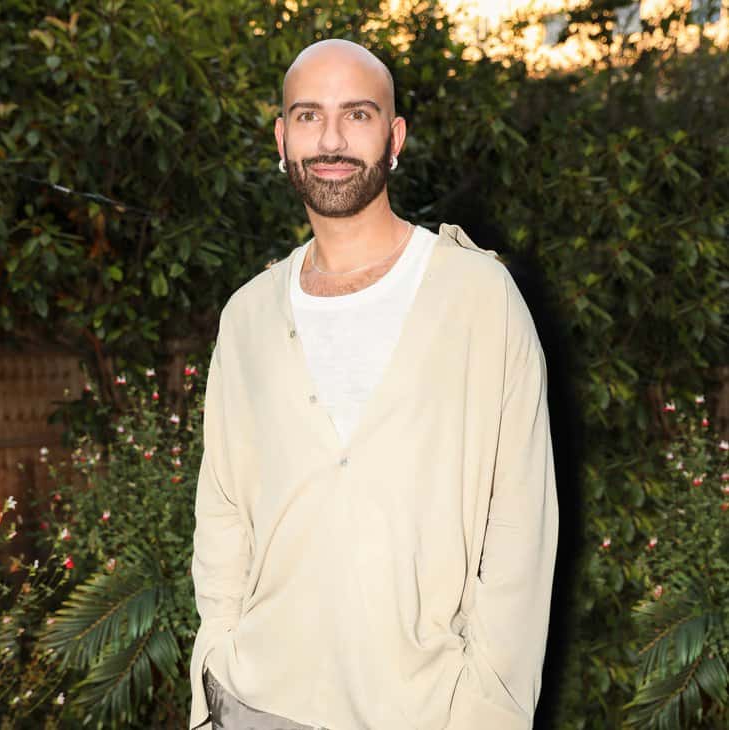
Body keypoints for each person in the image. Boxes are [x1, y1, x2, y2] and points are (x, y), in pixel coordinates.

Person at [189, 38, 558, 730]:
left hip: (428, 710)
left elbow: (520, 530)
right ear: (282, 139)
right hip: (254, 704)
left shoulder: (479, 298)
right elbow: (223, 513)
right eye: (308, 115)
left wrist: (487, 707)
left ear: (395, 138)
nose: (331, 140)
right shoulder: (248, 316)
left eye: (357, 114)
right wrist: (215, 661)